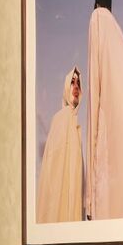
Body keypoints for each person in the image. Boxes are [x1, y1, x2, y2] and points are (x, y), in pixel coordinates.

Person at [85, 0, 123, 221]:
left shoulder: (97, 20)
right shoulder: (119, 32)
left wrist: (89, 199)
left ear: (96, 3)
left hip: (108, 128)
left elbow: (94, 86)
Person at [37, 67, 84, 223]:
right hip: (59, 203)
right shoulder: (60, 119)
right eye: (72, 82)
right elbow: (52, 170)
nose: (76, 87)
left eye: (78, 83)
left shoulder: (75, 123)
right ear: (66, 87)